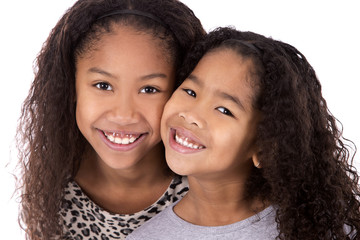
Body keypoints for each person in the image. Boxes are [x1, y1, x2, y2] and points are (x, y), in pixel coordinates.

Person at [127, 27, 360, 240]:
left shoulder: (325, 232)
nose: (191, 115)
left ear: (264, 146)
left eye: (224, 110)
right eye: (190, 91)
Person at [16, 0, 205, 239]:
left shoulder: (206, 186)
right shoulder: (53, 179)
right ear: (71, 87)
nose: (124, 115)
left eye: (149, 89)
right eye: (103, 85)